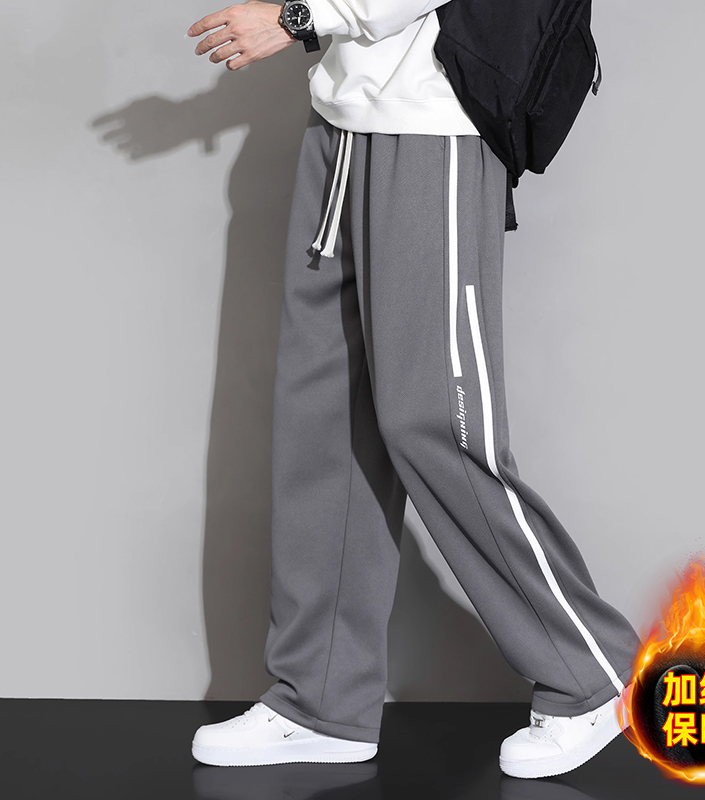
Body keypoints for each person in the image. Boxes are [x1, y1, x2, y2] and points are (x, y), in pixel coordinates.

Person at [186, 0, 642, 779]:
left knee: (433, 420)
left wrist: (300, 18)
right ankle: (320, 700)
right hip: (341, 119)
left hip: (436, 122)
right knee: (326, 418)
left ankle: (593, 672)